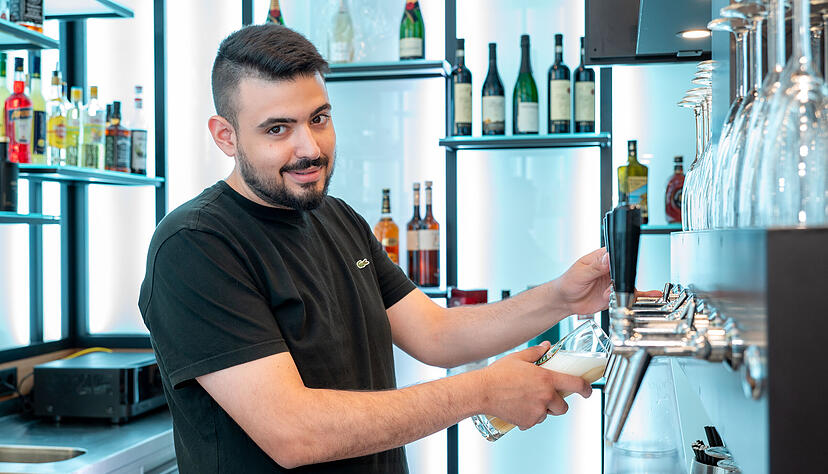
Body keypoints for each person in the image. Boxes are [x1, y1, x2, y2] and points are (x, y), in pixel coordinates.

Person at [139, 24, 619, 473]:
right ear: (226, 136)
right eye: (277, 129)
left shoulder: (337, 217)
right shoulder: (196, 246)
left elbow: (436, 334)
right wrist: (481, 391)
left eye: (319, 119)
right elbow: (294, 433)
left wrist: (562, 297)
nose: (310, 148)